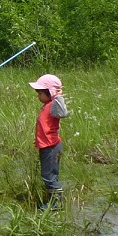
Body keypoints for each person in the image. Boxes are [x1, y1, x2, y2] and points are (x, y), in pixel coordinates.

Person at [30, 74, 68, 209]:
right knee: (47, 173)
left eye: (40, 93)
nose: (38, 96)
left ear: (50, 93)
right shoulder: (47, 105)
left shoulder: (54, 105)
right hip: (45, 146)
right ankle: (53, 200)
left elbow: (63, 113)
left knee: (49, 175)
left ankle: (56, 203)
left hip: (52, 146)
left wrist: (58, 96)